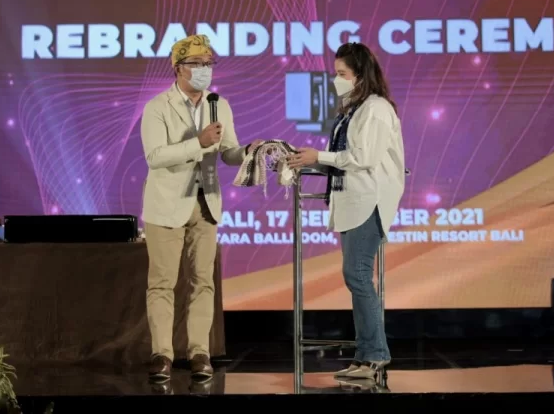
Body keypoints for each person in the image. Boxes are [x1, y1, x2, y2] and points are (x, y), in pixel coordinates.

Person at [140, 34, 263, 383]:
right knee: (162, 283)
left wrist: (247, 151)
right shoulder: (157, 107)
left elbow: (227, 151)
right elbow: (155, 156)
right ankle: (162, 354)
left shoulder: (218, 104)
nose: (204, 70)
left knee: (202, 281)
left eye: (209, 64)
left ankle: (199, 352)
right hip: (166, 205)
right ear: (179, 68)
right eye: (197, 64)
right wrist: (198, 142)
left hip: (206, 202)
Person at [287, 42, 405, 380]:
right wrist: (306, 160)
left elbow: (364, 158)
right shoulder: (353, 109)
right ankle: (365, 355)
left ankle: (375, 355)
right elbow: (341, 157)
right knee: (356, 276)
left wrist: (319, 157)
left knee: (358, 275)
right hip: (352, 199)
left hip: (369, 200)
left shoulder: (376, 109)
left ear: (360, 75)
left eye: (342, 74)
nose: (336, 80)